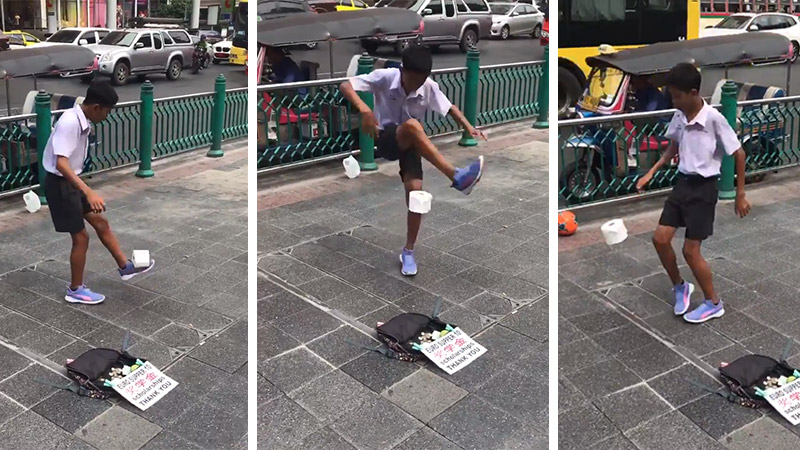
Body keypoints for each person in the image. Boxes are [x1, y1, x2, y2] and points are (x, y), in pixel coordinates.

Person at [339, 44, 486, 276]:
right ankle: (456, 176)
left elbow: (450, 108)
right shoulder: (386, 77)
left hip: (411, 143)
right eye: (413, 79)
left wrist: (469, 127)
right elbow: (345, 85)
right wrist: (364, 110)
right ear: (402, 70)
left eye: (422, 80)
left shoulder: (429, 86)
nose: (417, 85)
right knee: (413, 125)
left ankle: (408, 251)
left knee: (416, 195)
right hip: (386, 137)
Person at [636, 63, 751, 324]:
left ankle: (713, 303)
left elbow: (739, 153)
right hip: (682, 184)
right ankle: (680, 286)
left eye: (677, 96)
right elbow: (671, 148)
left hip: (704, 188)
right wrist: (651, 172)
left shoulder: (713, 119)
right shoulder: (680, 115)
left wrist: (740, 194)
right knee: (660, 238)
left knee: (691, 250)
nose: (674, 101)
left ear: (693, 92)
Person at [43, 81, 155, 305]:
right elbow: (61, 163)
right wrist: (89, 191)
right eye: (107, 111)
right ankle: (75, 290)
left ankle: (125, 267)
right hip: (60, 184)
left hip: (71, 182)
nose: (107, 115)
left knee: (101, 223)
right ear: (96, 107)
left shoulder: (82, 118)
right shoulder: (70, 123)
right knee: (81, 237)